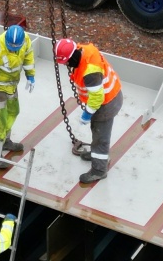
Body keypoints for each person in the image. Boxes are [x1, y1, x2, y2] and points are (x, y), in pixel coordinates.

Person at [53, 38, 123, 185]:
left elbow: (97, 98)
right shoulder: (85, 50)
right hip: (112, 96)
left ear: (72, 56)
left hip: (106, 104)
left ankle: (99, 170)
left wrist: (87, 114)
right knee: (97, 132)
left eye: (66, 62)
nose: (65, 65)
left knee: (100, 137)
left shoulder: (90, 72)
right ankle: (96, 154)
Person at [0, 24, 34, 162]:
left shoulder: (25, 39)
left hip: (12, 85)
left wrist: (30, 75)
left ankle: (5, 140)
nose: (13, 49)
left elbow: (28, 56)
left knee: (13, 112)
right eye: (11, 46)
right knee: (0, 120)